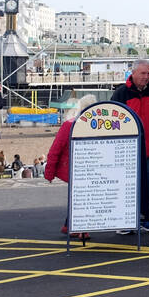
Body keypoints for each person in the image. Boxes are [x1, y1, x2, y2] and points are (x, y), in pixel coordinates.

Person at [111, 60, 149, 233]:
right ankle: (125, 221)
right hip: (127, 150)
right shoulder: (121, 94)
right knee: (126, 185)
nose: (146, 77)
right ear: (133, 73)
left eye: (148, 74)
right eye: (142, 73)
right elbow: (113, 121)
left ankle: (144, 217)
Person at [45, 94, 97, 238]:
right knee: (84, 197)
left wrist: (49, 172)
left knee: (79, 197)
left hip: (74, 168)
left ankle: (70, 225)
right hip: (84, 169)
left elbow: (55, 149)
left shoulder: (69, 125)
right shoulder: (96, 127)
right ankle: (81, 229)